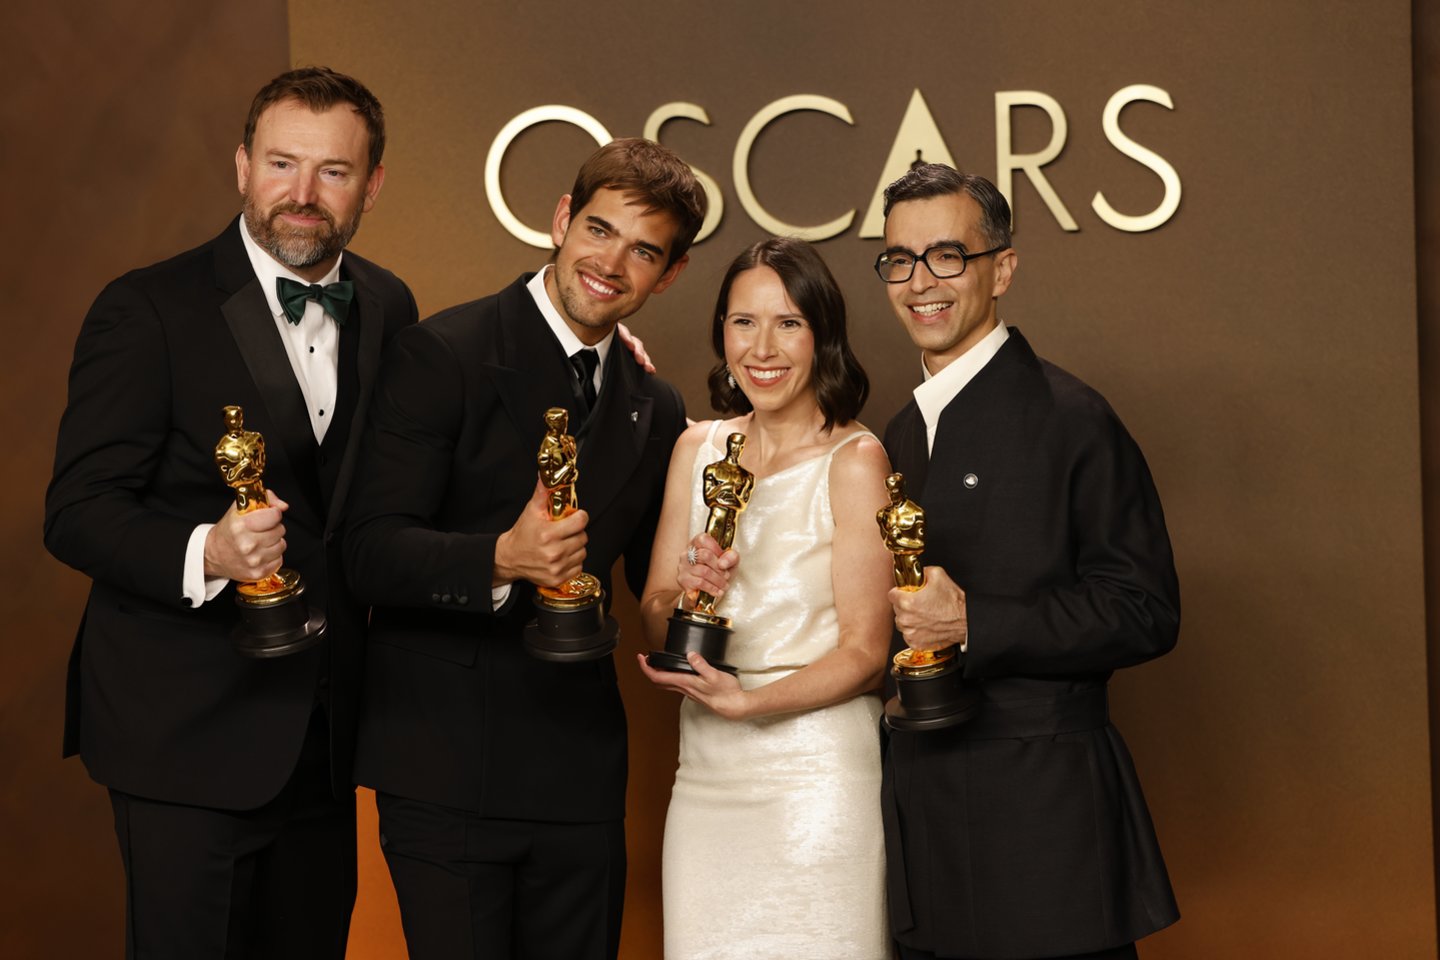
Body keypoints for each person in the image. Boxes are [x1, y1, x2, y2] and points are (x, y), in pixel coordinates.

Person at [43, 67, 416, 959]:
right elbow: (77, 510)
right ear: (243, 166)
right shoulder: (146, 308)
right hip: (182, 737)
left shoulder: (391, 304)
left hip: (324, 739)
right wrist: (206, 551)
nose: (302, 193)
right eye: (282, 163)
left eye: (333, 171)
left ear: (372, 184)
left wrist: (596, 351)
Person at [342, 138, 704, 960]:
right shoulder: (442, 353)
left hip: (579, 777)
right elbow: (367, 551)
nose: (611, 264)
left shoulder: (655, 404)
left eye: (644, 250)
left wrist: (696, 581)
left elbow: (652, 585)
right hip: (445, 768)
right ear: (562, 219)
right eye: (600, 230)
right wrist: (501, 558)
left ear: (670, 273)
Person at [873, 163, 1180, 960]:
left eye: (947, 256)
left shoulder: (1074, 417)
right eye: (899, 261)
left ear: (1002, 268)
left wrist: (974, 622)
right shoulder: (896, 434)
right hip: (922, 823)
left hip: (1046, 826)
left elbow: (1145, 609)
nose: (920, 282)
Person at [638, 237, 895, 960]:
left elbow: (867, 654)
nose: (763, 348)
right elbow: (655, 610)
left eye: (788, 323)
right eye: (743, 322)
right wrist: (686, 598)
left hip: (818, 781)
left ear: (822, 335)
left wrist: (747, 704)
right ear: (721, 332)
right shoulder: (695, 450)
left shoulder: (857, 460)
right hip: (707, 779)